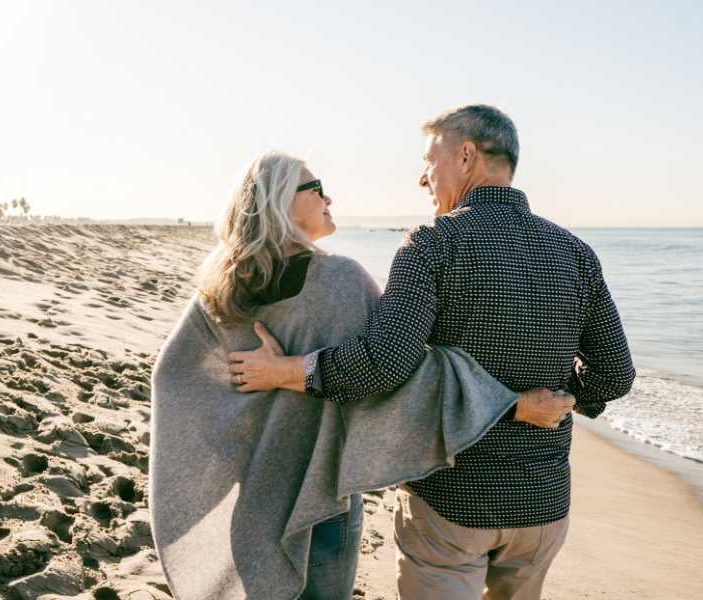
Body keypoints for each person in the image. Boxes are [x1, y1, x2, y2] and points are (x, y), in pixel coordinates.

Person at [228, 105, 635, 600]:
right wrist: (559, 400)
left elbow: (383, 364)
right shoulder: (574, 251)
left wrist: (286, 371)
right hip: (543, 506)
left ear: (466, 156)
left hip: (450, 504)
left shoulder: (432, 244)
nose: (423, 178)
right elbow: (614, 375)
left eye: (429, 160)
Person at [150, 150, 569, 600]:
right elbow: (402, 373)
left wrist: (240, 426)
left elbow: (172, 379)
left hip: (252, 492)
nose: (329, 197)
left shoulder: (222, 286)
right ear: (280, 200)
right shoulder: (340, 281)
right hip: (320, 492)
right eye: (316, 188)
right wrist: (514, 403)